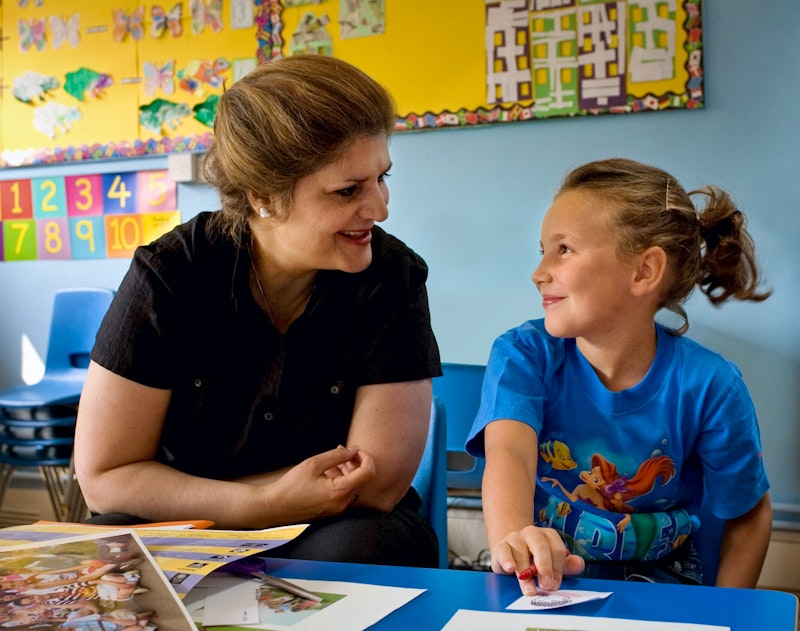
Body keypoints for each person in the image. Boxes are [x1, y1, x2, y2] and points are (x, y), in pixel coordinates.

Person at [74, 54, 441, 568]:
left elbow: (376, 485)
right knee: (103, 554)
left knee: (360, 549)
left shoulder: (393, 278)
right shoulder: (170, 274)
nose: (380, 207)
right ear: (264, 197)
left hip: (339, 523)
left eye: (382, 178)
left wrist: (242, 500)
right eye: (347, 190)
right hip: (189, 521)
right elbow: (106, 479)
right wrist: (261, 505)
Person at [466, 158, 773, 594]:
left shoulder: (712, 385)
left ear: (643, 271)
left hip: (666, 584)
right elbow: (509, 454)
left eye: (564, 249)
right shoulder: (522, 354)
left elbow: (748, 512)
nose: (538, 273)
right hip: (546, 578)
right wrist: (514, 540)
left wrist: (727, 612)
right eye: (542, 251)